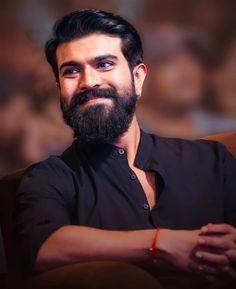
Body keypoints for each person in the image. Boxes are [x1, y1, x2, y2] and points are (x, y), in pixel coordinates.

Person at [14, 9, 236, 289]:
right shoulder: (50, 177)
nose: (89, 82)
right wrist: (161, 243)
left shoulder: (211, 160)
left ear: (138, 77)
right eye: (71, 71)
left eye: (104, 64)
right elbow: (44, 246)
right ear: (60, 88)